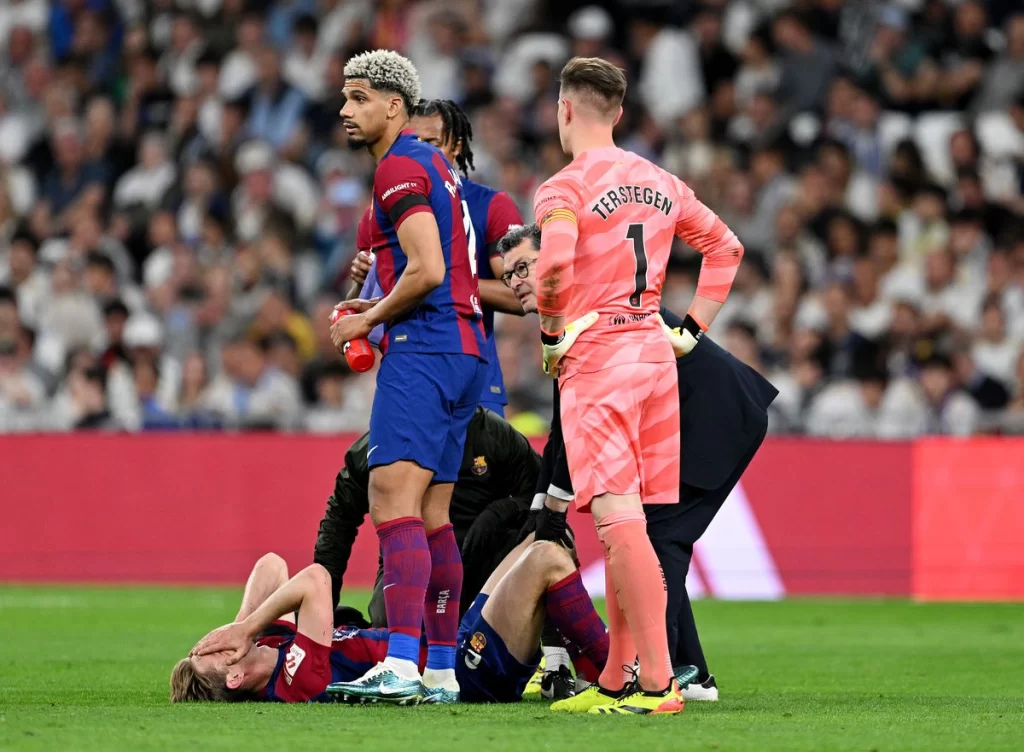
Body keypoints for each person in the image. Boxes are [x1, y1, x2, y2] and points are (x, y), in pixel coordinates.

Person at [527, 55, 744, 717]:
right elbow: (726, 248)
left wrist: (551, 333)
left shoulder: (563, 189)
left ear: (565, 110)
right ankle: (618, 678)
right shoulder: (660, 181)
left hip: (598, 358)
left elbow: (553, 267)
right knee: (632, 524)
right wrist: (692, 328)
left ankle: (657, 683)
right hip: (654, 353)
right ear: (618, 113)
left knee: (617, 523)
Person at [499, 223, 777, 703]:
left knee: (656, 539)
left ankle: (653, 674)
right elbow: (565, 424)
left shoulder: (586, 310)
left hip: (714, 416)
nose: (517, 281)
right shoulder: (577, 308)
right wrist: (544, 505)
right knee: (651, 538)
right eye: (509, 275)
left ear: (558, 256)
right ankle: (689, 672)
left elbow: (570, 424)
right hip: (708, 410)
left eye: (524, 266)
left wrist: (552, 508)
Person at [326, 50, 487, 705]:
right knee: (433, 514)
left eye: (359, 98)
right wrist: (370, 304)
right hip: (464, 349)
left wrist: (369, 321)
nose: (345, 109)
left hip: (425, 348)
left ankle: (398, 663)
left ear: (395, 106)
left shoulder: (398, 166)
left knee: (391, 501)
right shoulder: (434, 166)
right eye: (344, 97)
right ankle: (441, 669)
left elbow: (426, 270)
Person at [175, 537, 608, 706]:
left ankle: (572, 671)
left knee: (544, 534)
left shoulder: (268, 641)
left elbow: (271, 563)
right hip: (468, 674)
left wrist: (240, 625)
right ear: (235, 678)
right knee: (547, 558)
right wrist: (247, 630)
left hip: (446, 647)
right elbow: (316, 579)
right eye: (211, 655)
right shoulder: (293, 681)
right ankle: (615, 677)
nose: (214, 642)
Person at [348, 98, 525, 416]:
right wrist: (362, 281)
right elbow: (358, 306)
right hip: (406, 371)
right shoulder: (385, 206)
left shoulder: (491, 205)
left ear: (456, 146)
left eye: (432, 143)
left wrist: (450, 280)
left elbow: (522, 294)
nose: (422, 154)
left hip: (474, 378)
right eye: (414, 143)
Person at [312, 406, 541, 626]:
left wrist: (497, 516)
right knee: (388, 626)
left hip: (482, 561)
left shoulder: (490, 432)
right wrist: (323, 601)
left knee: (549, 545)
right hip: (406, 561)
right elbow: (340, 518)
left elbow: (541, 498)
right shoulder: (382, 442)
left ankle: (548, 647)